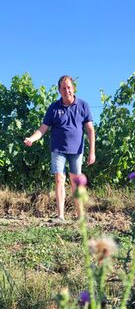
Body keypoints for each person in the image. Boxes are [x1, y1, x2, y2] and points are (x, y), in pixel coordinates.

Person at [24, 75, 95, 222]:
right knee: (59, 179)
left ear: (73, 88)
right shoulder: (54, 108)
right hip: (58, 149)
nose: (66, 90)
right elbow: (42, 129)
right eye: (63, 88)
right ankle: (60, 216)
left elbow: (90, 130)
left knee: (76, 182)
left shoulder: (83, 106)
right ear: (59, 90)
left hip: (77, 150)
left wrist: (92, 152)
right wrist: (32, 138)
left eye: (69, 87)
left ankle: (80, 216)